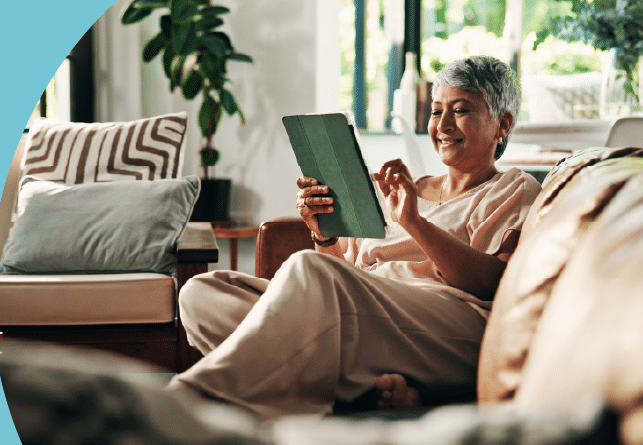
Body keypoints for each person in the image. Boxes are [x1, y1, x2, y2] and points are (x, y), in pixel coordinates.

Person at [169, 55, 542, 419]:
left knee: (307, 270)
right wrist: (323, 235)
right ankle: (353, 389)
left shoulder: (512, 188)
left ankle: (192, 398)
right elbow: (338, 276)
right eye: (435, 111)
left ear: (502, 124)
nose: (443, 125)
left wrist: (414, 223)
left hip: (443, 327)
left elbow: (492, 282)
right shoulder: (400, 188)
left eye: (460, 110)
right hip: (358, 320)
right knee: (202, 294)